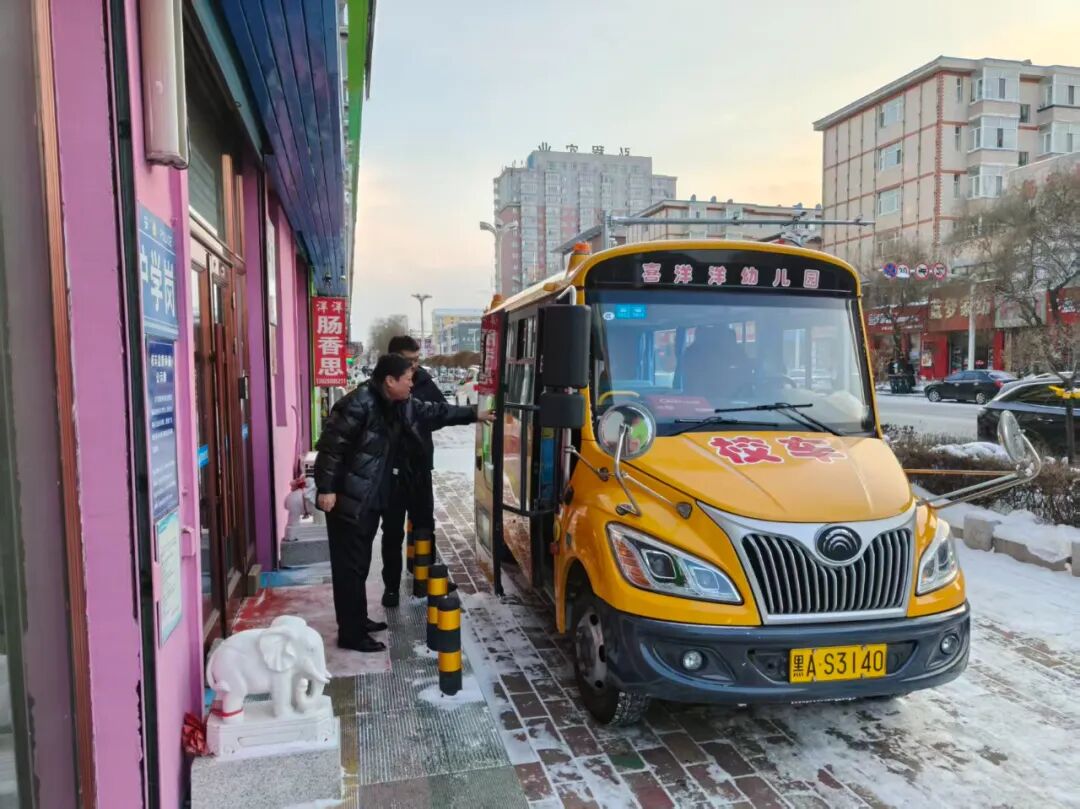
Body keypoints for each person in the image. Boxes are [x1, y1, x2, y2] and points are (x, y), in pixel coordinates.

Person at [313, 353, 493, 652]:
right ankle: (351, 635)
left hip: (371, 498)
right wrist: (326, 489)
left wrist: (475, 414)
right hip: (349, 499)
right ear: (390, 380)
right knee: (349, 568)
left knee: (359, 565)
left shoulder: (400, 404)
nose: (412, 384)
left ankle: (357, 621)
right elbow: (331, 449)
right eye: (408, 379)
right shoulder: (357, 404)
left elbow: (435, 412)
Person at [383, 335, 445, 606]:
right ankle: (392, 588)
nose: (415, 367)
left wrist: (420, 427)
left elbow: (441, 411)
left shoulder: (424, 382)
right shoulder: (380, 389)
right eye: (409, 361)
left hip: (420, 467)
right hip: (392, 473)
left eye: (417, 360)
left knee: (424, 525)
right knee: (393, 532)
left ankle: (426, 579)